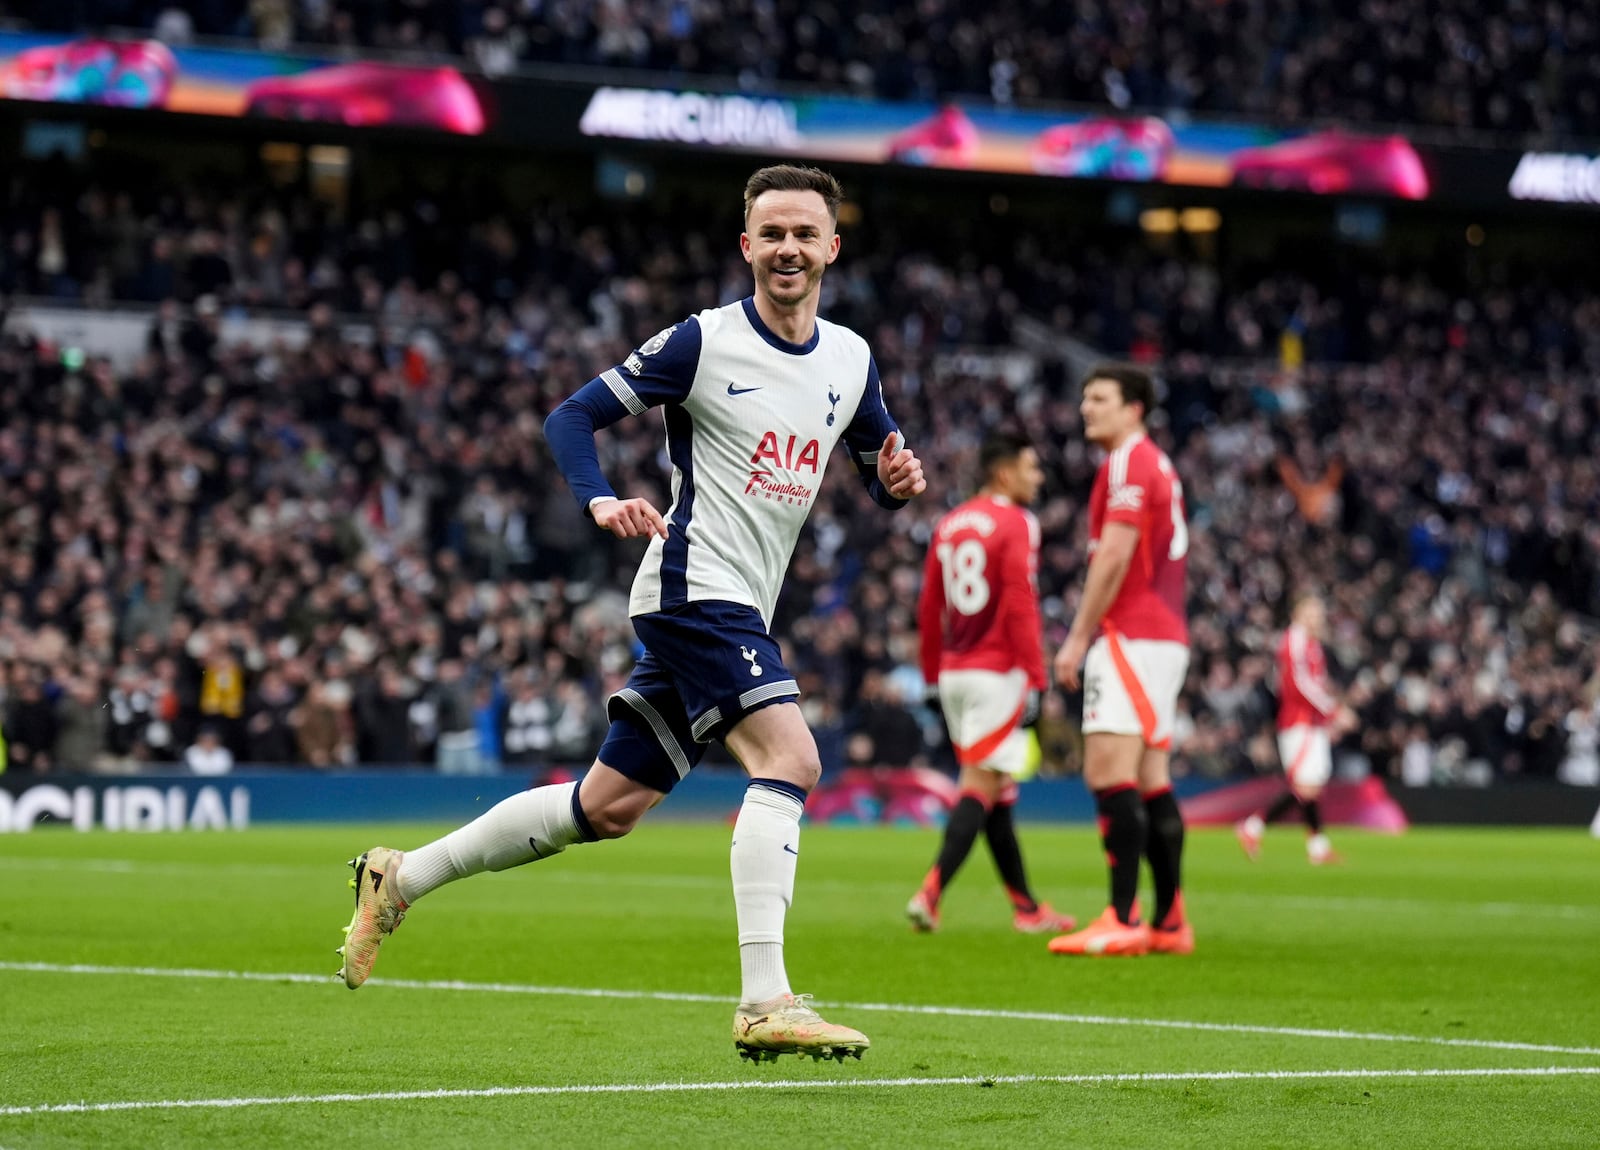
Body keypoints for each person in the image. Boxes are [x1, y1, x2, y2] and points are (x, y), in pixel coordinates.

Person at [335, 165, 926, 1063]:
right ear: (747, 246)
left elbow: (874, 460)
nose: (788, 249)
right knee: (792, 757)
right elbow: (570, 417)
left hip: (739, 602)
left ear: (833, 247)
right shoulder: (704, 342)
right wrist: (599, 501)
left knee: (605, 808)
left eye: (805, 233)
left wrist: (892, 487)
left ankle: (401, 877)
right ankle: (765, 1000)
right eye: (771, 234)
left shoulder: (851, 358)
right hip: (695, 587)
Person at [1048, 364, 1194, 957]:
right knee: (1152, 780)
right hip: (1163, 634)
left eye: (1100, 399)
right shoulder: (1154, 461)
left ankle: (1123, 916)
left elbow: (1114, 553)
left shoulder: (1130, 462)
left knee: (1109, 774)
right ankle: (1169, 920)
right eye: (1084, 398)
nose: (1087, 408)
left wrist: (1078, 637)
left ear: (1134, 408)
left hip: (1130, 633)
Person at [906, 430, 1075, 935]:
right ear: (1004, 472)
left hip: (956, 673)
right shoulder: (1017, 522)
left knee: (998, 792)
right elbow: (1021, 603)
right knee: (980, 786)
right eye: (1031, 467)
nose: (1038, 477)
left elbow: (929, 607)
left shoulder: (950, 524)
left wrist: (933, 679)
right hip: (997, 672)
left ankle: (1027, 908)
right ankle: (929, 893)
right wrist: (1038, 680)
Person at [1237, 593, 1351, 864]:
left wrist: (1326, 717)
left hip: (1311, 724)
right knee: (1304, 786)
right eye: (1311, 611)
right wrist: (1333, 711)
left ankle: (1318, 848)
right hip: (1298, 722)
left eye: (1318, 612)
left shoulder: (1311, 643)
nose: (1316, 617)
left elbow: (1316, 684)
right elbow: (1300, 684)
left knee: (1311, 786)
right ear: (1297, 613)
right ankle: (1253, 826)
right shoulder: (1294, 640)